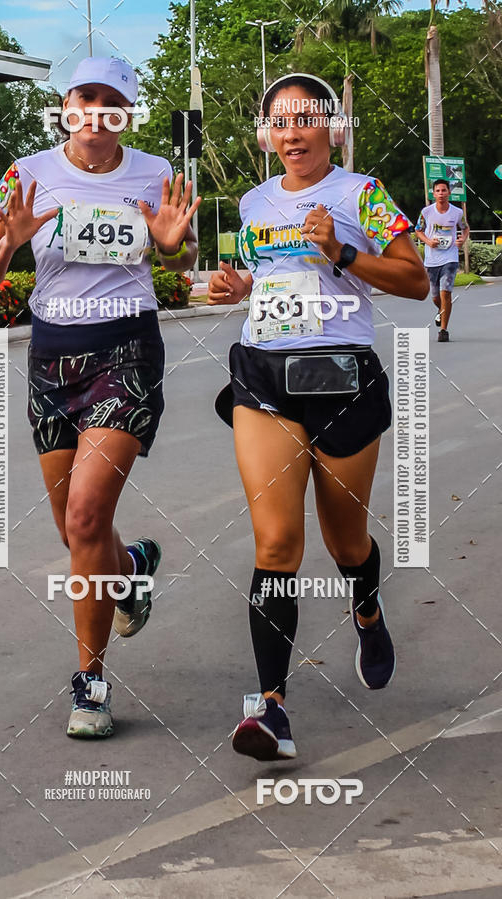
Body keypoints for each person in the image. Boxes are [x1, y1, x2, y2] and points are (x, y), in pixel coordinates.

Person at [0, 57, 200, 738]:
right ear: (66, 105)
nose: (97, 109)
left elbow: (180, 259)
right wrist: (7, 243)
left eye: (112, 100)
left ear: (126, 111)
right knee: (76, 531)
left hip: (126, 350)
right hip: (50, 356)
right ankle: (129, 570)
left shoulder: (155, 173)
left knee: (89, 513)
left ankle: (91, 684)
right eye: (85, 96)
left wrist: (172, 250)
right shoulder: (27, 174)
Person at [209, 73, 429, 762]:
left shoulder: (361, 193)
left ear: (332, 127)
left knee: (346, 542)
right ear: (268, 133)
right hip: (264, 374)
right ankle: (271, 708)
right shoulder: (253, 201)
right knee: (276, 544)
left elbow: (416, 278)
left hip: (341, 378)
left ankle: (365, 605)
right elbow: (260, 274)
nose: (292, 132)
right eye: (280, 121)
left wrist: (342, 252)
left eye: (306, 119)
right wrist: (237, 285)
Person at [414, 179, 470, 342]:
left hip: (450, 257)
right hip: (432, 259)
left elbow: (465, 228)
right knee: (435, 297)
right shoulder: (426, 212)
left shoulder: (457, 212)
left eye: (444, 190)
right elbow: (418, 230)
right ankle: (442, 311)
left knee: (446, 292)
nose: (441, 194)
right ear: (434, 193)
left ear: (449, 193)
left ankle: (443, 330)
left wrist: (462, 239)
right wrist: (428, 241)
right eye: (437, 191)